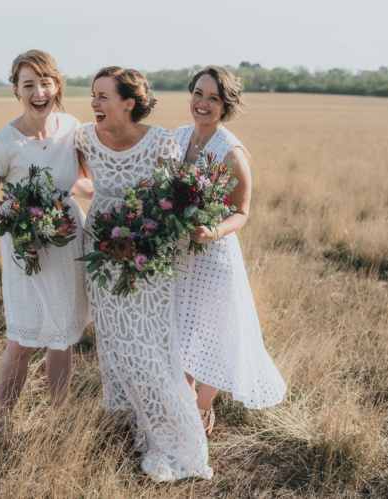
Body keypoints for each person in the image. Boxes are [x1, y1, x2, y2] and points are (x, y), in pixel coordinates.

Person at [75, 66, 212, 482]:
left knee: (151, 342)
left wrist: (141, 225)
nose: (94, 103)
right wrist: (97, 203)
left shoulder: (161, 141)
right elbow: (80, 182)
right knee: (117, 341)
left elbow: (169, 200)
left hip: (149, 253)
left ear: (128, 103)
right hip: (100, 250)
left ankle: (178, 440)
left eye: (103, 96)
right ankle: (143, 424)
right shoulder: (83, 138)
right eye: (92, 95)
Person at [0, 50, 91, 437]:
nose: (38, 92)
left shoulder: (72, 127)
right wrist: (15, 224)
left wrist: (113, 198)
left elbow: (84, 182)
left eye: (45, 83)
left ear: (57, 85)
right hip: (27, 252)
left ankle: (57, 423)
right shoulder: (6, 142)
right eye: (29, 85)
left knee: (63, 339)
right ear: (16, 90)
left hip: (68, 244)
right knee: (20, 341)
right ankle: (4, 422)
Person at [173, 66, 286, 434]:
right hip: (179, 256)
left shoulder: (231, 151)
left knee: (215, 337)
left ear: (225, 106)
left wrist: (213, 231)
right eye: (198, 93)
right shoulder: (176, 137)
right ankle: (183, 405)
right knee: (180, 333)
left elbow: (242, 212)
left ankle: (200, 413)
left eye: (213, 98)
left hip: (213, 257)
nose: (202, 103)